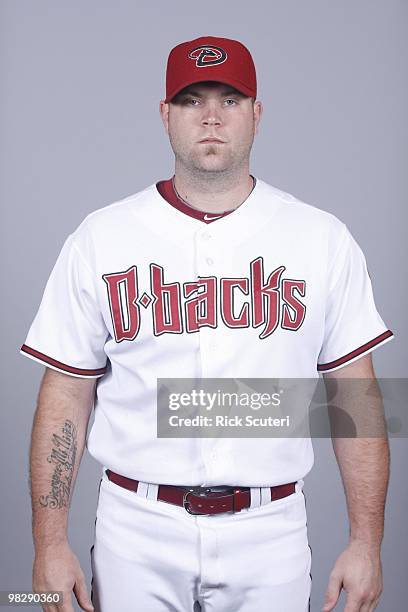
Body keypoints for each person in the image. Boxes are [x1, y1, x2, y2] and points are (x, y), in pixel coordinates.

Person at [21, 36, 394, 612]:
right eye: (193, 100)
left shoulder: (320, 238)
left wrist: (367, 542)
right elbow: (66, 393)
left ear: (257, 114)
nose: (212, 116)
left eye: (231, 99)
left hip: (270, 530)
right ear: (165, 115)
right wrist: (48, 545)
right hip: (135, 526)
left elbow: (356, 396)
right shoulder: (101, 237)